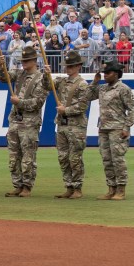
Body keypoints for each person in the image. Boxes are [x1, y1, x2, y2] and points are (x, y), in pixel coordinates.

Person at [0, 46, 50, 197]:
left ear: (34, 61)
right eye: (23, 61)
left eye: (27, 61)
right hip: (15, 119)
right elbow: (4, 77)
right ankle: (17, 184)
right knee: (14, 156)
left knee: (28, 156)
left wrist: (19, 102)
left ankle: (27, 186)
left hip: (29, 121)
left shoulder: (41, 79)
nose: (24, 64)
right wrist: (2, 65)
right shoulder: (19, 74)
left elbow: (38, 102)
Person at [87, 61, 134, 201]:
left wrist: (127, 127)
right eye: (104, 73)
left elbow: (132, 109)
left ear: (115, 74)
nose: (105, 76)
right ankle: (111, 188)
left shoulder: (123, 89)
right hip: (103, 128)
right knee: (107, 160)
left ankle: (121, 189)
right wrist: (94, 82)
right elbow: (88, 96)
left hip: (117, 128)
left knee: (118, 159)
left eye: (107, 73)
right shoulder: (102, 88)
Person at [47, 51, 90, 199]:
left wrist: (66, 110)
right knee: (63, 157)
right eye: (67, 66)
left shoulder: (83, 85)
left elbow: (83, 106)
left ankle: (77, 187)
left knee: (75, 158)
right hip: (62, 125)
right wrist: (47, 74)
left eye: (71, 66)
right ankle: (69, 186)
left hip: (76, 126)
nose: (68, 68)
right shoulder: (62, 81)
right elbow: (47, 85)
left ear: (78, 66)